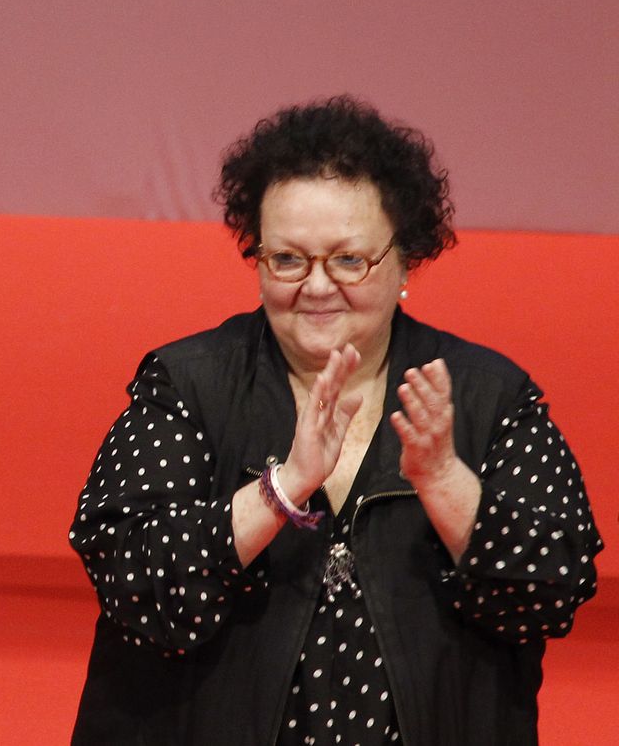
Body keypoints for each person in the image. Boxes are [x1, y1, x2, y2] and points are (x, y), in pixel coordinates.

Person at [67, 96, 601, 745]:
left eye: (349, 260)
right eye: (288, 260)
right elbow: (136, 586)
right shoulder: (187, 386)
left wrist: (442, 482)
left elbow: (550, 590)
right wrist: (281, 489)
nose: (317, 287)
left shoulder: (490, 397)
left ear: (405, 259)